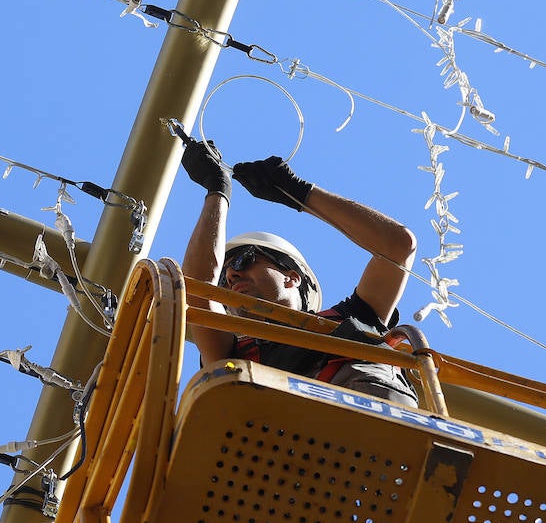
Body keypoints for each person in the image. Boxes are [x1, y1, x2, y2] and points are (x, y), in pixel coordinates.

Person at [179, 138, 420, 407]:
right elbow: (199, 288)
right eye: (224, 279)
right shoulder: (231, 354)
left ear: (292, 277)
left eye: (244, 261)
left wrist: (299, 192)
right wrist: (217, 190)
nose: (232, 277)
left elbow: (398, 246)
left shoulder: (352, 318)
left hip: (381, 422)